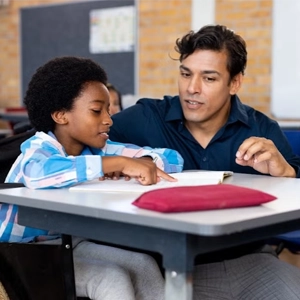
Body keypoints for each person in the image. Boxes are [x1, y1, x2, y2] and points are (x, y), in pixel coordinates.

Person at [109, 25, 300, 299]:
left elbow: (295, 179)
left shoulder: (262, 129)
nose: (191, 88)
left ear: (234, 83)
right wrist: (120, 161)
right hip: (172, 269)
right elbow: (81, 141)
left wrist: (288, 172)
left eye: (209, 79)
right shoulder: (146, 118)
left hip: (253, 260)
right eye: (186, 74)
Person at [3, 56, 184, 300]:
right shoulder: (39, 147)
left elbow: (174, 158)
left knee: (144, 265)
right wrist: (118, 163)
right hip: (17, 255)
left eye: (108, 110)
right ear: (60, 115)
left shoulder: (99, 149)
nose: (109, 119)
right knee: (111, 279)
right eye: (97, 111)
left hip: (66, 245)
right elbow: (40, 173)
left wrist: (147, 162)